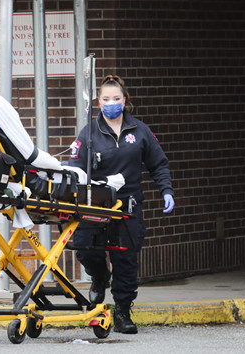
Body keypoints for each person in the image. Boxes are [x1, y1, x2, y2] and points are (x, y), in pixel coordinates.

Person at [68, 74, 174, 334]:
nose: (111, 103)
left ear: (125, 100)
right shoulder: (89, 133)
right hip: (96, 203)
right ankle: (99, 276)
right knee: (85, 248)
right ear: (98, 101)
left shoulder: (139, 130)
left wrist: (166, 190)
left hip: (128, 203)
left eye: (116, 98)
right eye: (106, 99)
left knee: (126, 259)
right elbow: (75, 168)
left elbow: (158, 164)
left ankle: (123, 312)